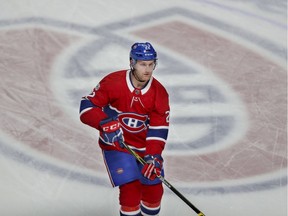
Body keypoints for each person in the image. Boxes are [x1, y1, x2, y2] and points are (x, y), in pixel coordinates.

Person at [79, 42, 170, 216]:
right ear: (132, 62)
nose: (148, 69)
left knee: (154, 191)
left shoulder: (159, 93)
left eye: (151, 64)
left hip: (144, 147)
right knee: (131, 190)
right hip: (117, 145)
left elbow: (158, 128)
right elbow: (86, 107)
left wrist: (154, 157)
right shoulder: (113, 82)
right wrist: (104, 122)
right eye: (143, 64)